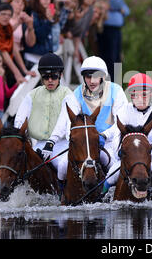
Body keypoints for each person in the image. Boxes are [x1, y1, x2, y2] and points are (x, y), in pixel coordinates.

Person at [46, 56, 128, 196]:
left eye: (95, 77)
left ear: (103, 77)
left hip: (108, 142)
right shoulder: (76, 94)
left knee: (111, 164)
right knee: (63, 166)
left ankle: (111, 194)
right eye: (88, 77)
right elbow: (66, 123)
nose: (92, 81)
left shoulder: (116, 91)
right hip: (85, 144)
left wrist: (103, 135)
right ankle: (62, 195)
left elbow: (122, 122)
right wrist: (52, 140)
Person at [101, 73, 152, 201]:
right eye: (135, 94)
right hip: (131, 159)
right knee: (112, 174)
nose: (140, 98)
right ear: (131, 95)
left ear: (151, 93)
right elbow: (114, 129)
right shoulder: (126, 109)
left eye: (144, 94)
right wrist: (102, 136)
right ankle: (100, 199)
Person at [98, 0, 130, 81]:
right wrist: (117, 5)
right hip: (107, 29)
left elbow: (126, 10)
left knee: (117, 58)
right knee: (109, 57)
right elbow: (115, 4)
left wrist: (116, 5)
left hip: (117, 30)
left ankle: (116, 82)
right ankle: (109, 82)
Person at [23, 0, 57, 68]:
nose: (46, 0)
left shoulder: (47, 14)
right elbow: (40, 37)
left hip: (44, 58)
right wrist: (49, 21)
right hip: (33, 58)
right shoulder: (33, 14)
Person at [7, 0, 36, 78]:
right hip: (7, 56)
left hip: (20, 56)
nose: (20, 4)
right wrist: (17, 23)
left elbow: (30, 43)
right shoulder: (5, 19)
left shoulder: (24, 22)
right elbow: (5, 34)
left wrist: (30, 27)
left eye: (22, 3)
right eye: (17, 1)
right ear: (10, 3)